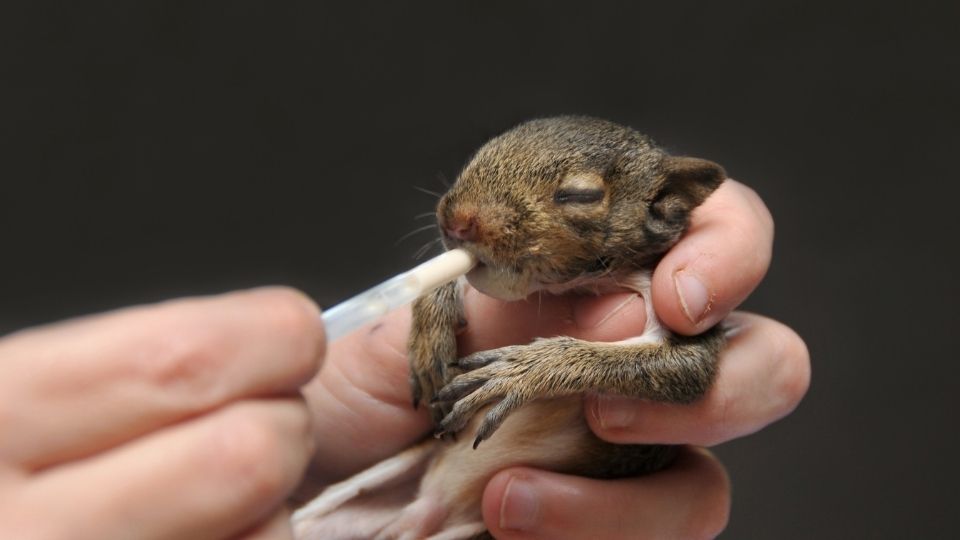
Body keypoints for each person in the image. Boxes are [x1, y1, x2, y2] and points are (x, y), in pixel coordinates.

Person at [0, 181, 808, 539]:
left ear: (659, 209)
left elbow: (681, 374)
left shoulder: (659, 295)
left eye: (571, 198)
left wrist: (544, 365)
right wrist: (432, 324)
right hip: (424, 472)